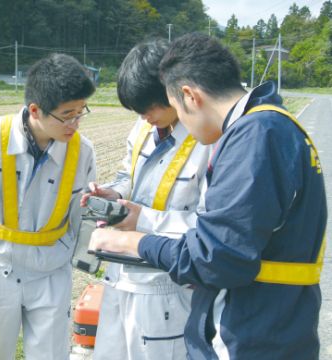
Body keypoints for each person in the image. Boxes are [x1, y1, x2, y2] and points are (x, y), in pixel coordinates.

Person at [88, 33, 327, 359]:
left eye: (173, 108)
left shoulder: (255, 137)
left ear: (189, 95)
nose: (179, 123)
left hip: (250, 333)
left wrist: (135, 242)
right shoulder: (270, 127)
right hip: (269, 324)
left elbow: (218, 258)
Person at [0, 53, 96, 360]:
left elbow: (81, 215)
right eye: (67, 114)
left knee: (50, 354)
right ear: (35, 110)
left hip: (51, 271)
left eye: (80, 112)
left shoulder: (83, 152)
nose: (75, 123)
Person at [81, 39, 210, 360]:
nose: (145, 117)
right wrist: (115, 194)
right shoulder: (142, 127)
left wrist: (143, 219)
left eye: (149, 108)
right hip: (119, 276)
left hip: (166, 287)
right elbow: (129, 177)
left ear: (174, 92)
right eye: (138, 111)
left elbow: (209, 227)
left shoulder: (206, 141)